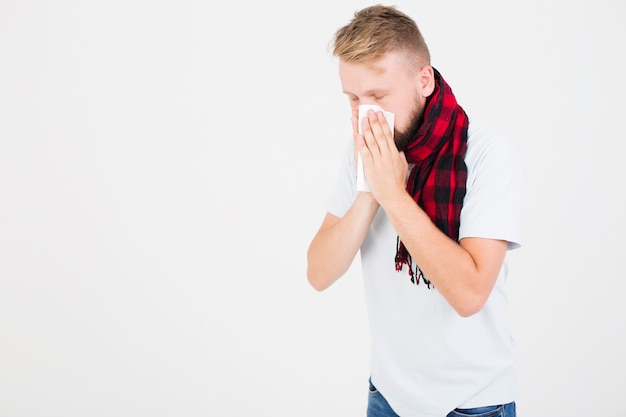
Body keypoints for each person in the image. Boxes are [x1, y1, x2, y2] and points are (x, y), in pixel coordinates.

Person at [306, 5, 522, 417]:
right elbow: (319, 272)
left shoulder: (487, 153)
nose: (364, 113)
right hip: (387, 397)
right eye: (353, 98)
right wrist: (372, 189)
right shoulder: (364, 155)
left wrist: (395, 195)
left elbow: (469, 293)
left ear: (424, 80)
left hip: (473, 405)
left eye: (378, 96)